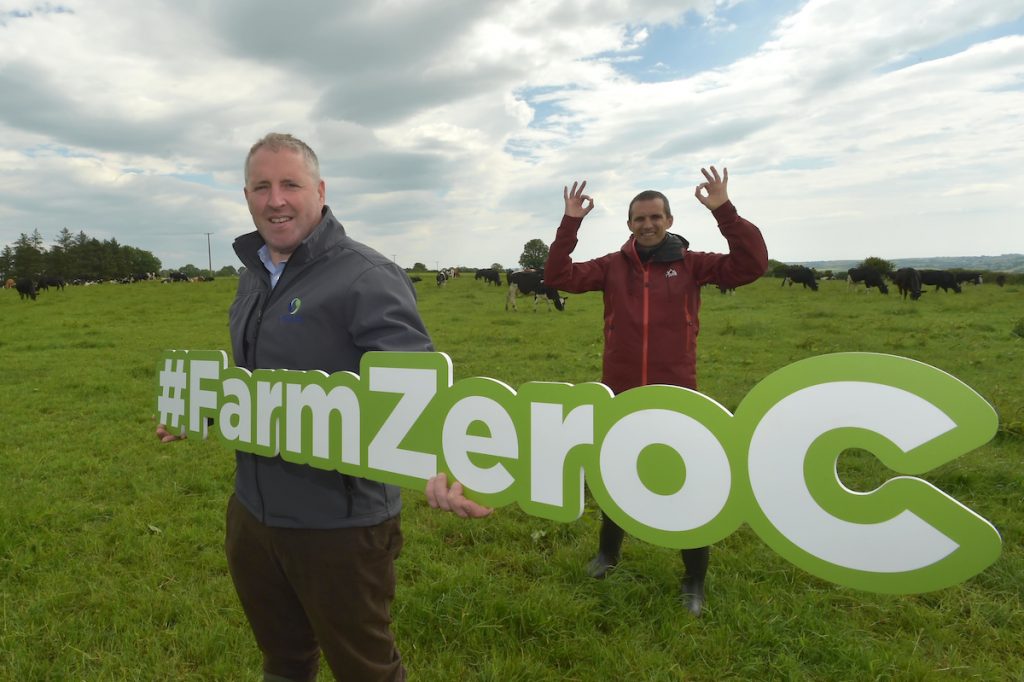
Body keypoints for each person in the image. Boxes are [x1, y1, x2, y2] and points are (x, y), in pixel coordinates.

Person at [156, 132, 488, 682]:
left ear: (321, 191)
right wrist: (204, 407)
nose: (275, 200)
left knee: (366, 670)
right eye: (261, 187)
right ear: (246, 196)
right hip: (253, 511)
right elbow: (258, 376)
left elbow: (416, 389)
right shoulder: (253, 275)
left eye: (290, 184)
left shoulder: (366, 275)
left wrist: (447, 463)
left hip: (339, 523)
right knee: (284, 661)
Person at [543, 167, 768, 617]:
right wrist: (571, 223)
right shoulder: (612, 266)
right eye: (639, 218)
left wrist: (724, 210)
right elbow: (558, 275)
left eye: (655, 217)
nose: (647, 224)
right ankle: (608, 555)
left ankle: (693, 579)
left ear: (669, 220)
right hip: (621, 393)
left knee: (690, 485)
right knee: (614, 474)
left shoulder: (692, 264)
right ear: (629, 224)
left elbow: (751, 265)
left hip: (677, 395)